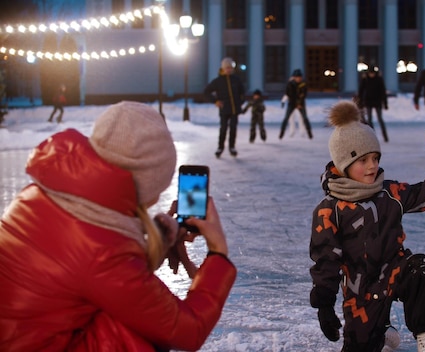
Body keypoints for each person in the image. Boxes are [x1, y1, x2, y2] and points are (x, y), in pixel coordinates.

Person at [0, 101, 237, 351]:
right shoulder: (102, 251)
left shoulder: (38, 193)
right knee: (140, 334)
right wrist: (218, 251)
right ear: (146, 184)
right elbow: (189, 329)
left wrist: (161, 240)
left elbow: (92, 274)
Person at [309, 101, 425, 352]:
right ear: (342, 165)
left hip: (396, 270)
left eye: (375, 158)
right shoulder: (330, 210)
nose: (372, 166)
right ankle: (380, 332)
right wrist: (324, 305)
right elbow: (326, 261)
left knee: (423, 268)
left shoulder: (389, 192)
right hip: (361, 291)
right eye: (363, 160)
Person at [204, 57, 246, 157]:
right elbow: (206, 92)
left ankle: (232, 147)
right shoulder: (218, 81)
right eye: (227, 68)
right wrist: (215, 101)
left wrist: (240, 102)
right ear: (223, 68)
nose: (229, 70)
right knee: (223, 128)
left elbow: (242, 92)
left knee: (233, 128)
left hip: (235, 109)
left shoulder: (236, 80)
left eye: (230, 68)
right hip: (224, 110)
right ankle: (220, 147)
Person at [279, 69, 313, 139]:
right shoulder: (290, 84)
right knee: (286, 118)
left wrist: (299, 103)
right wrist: (285, 101)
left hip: (301, 103)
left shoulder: (303, 84)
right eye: (297, 77)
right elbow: (289, 95)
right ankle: (281, 133)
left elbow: (304, 94)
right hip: (292, 103)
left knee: (305, 118)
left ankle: (309, 133)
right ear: (294, 77)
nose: (299, 78)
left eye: (300, 77)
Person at [358, 67, 389, 142]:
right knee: (369, 119)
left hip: (377, 101)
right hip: (368, 101)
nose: (371, 75)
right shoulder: (365, 80)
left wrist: (385, 103)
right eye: (370, 73)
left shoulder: (379, 80)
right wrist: (360, 102)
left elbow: (382, 92)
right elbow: (361, 91)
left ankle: (385, 136)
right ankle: (373, 135)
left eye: (373, 73)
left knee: (380, 119)